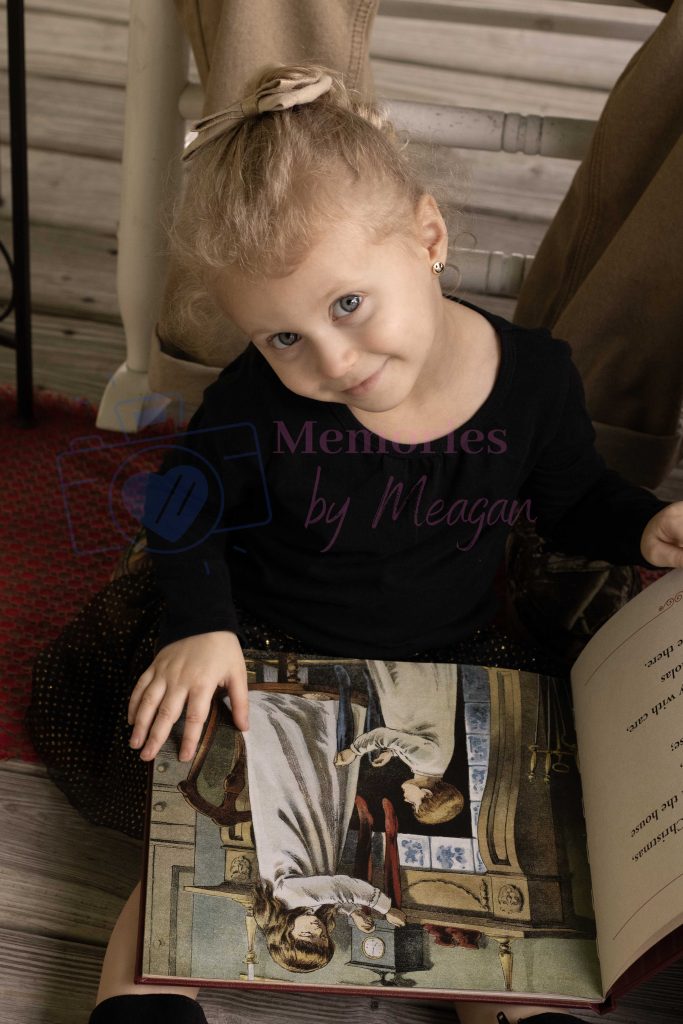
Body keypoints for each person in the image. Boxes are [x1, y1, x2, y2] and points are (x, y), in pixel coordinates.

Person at [38, 63, 683, 1023]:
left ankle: (507, 1006)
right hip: (266, 649)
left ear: (428, 237)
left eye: (346, 305)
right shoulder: (261, 405)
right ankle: (146, 991)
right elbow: (181, 501)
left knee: (467, 854)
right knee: (206, 823)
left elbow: (571, 498)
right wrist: (203, 624)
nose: (330, 361)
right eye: (282, 339)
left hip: (448, 654)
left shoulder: (532, 381)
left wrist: (637, 522)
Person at [334, 660, 465, 825]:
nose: (406, 800)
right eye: (413, 803)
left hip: (416, 695)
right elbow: (382, 735)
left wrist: (391, 752)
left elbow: (415, 739)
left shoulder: (432, 765)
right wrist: (354, 751)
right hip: (413, 688)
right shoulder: (428, 760)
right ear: (426, 793)